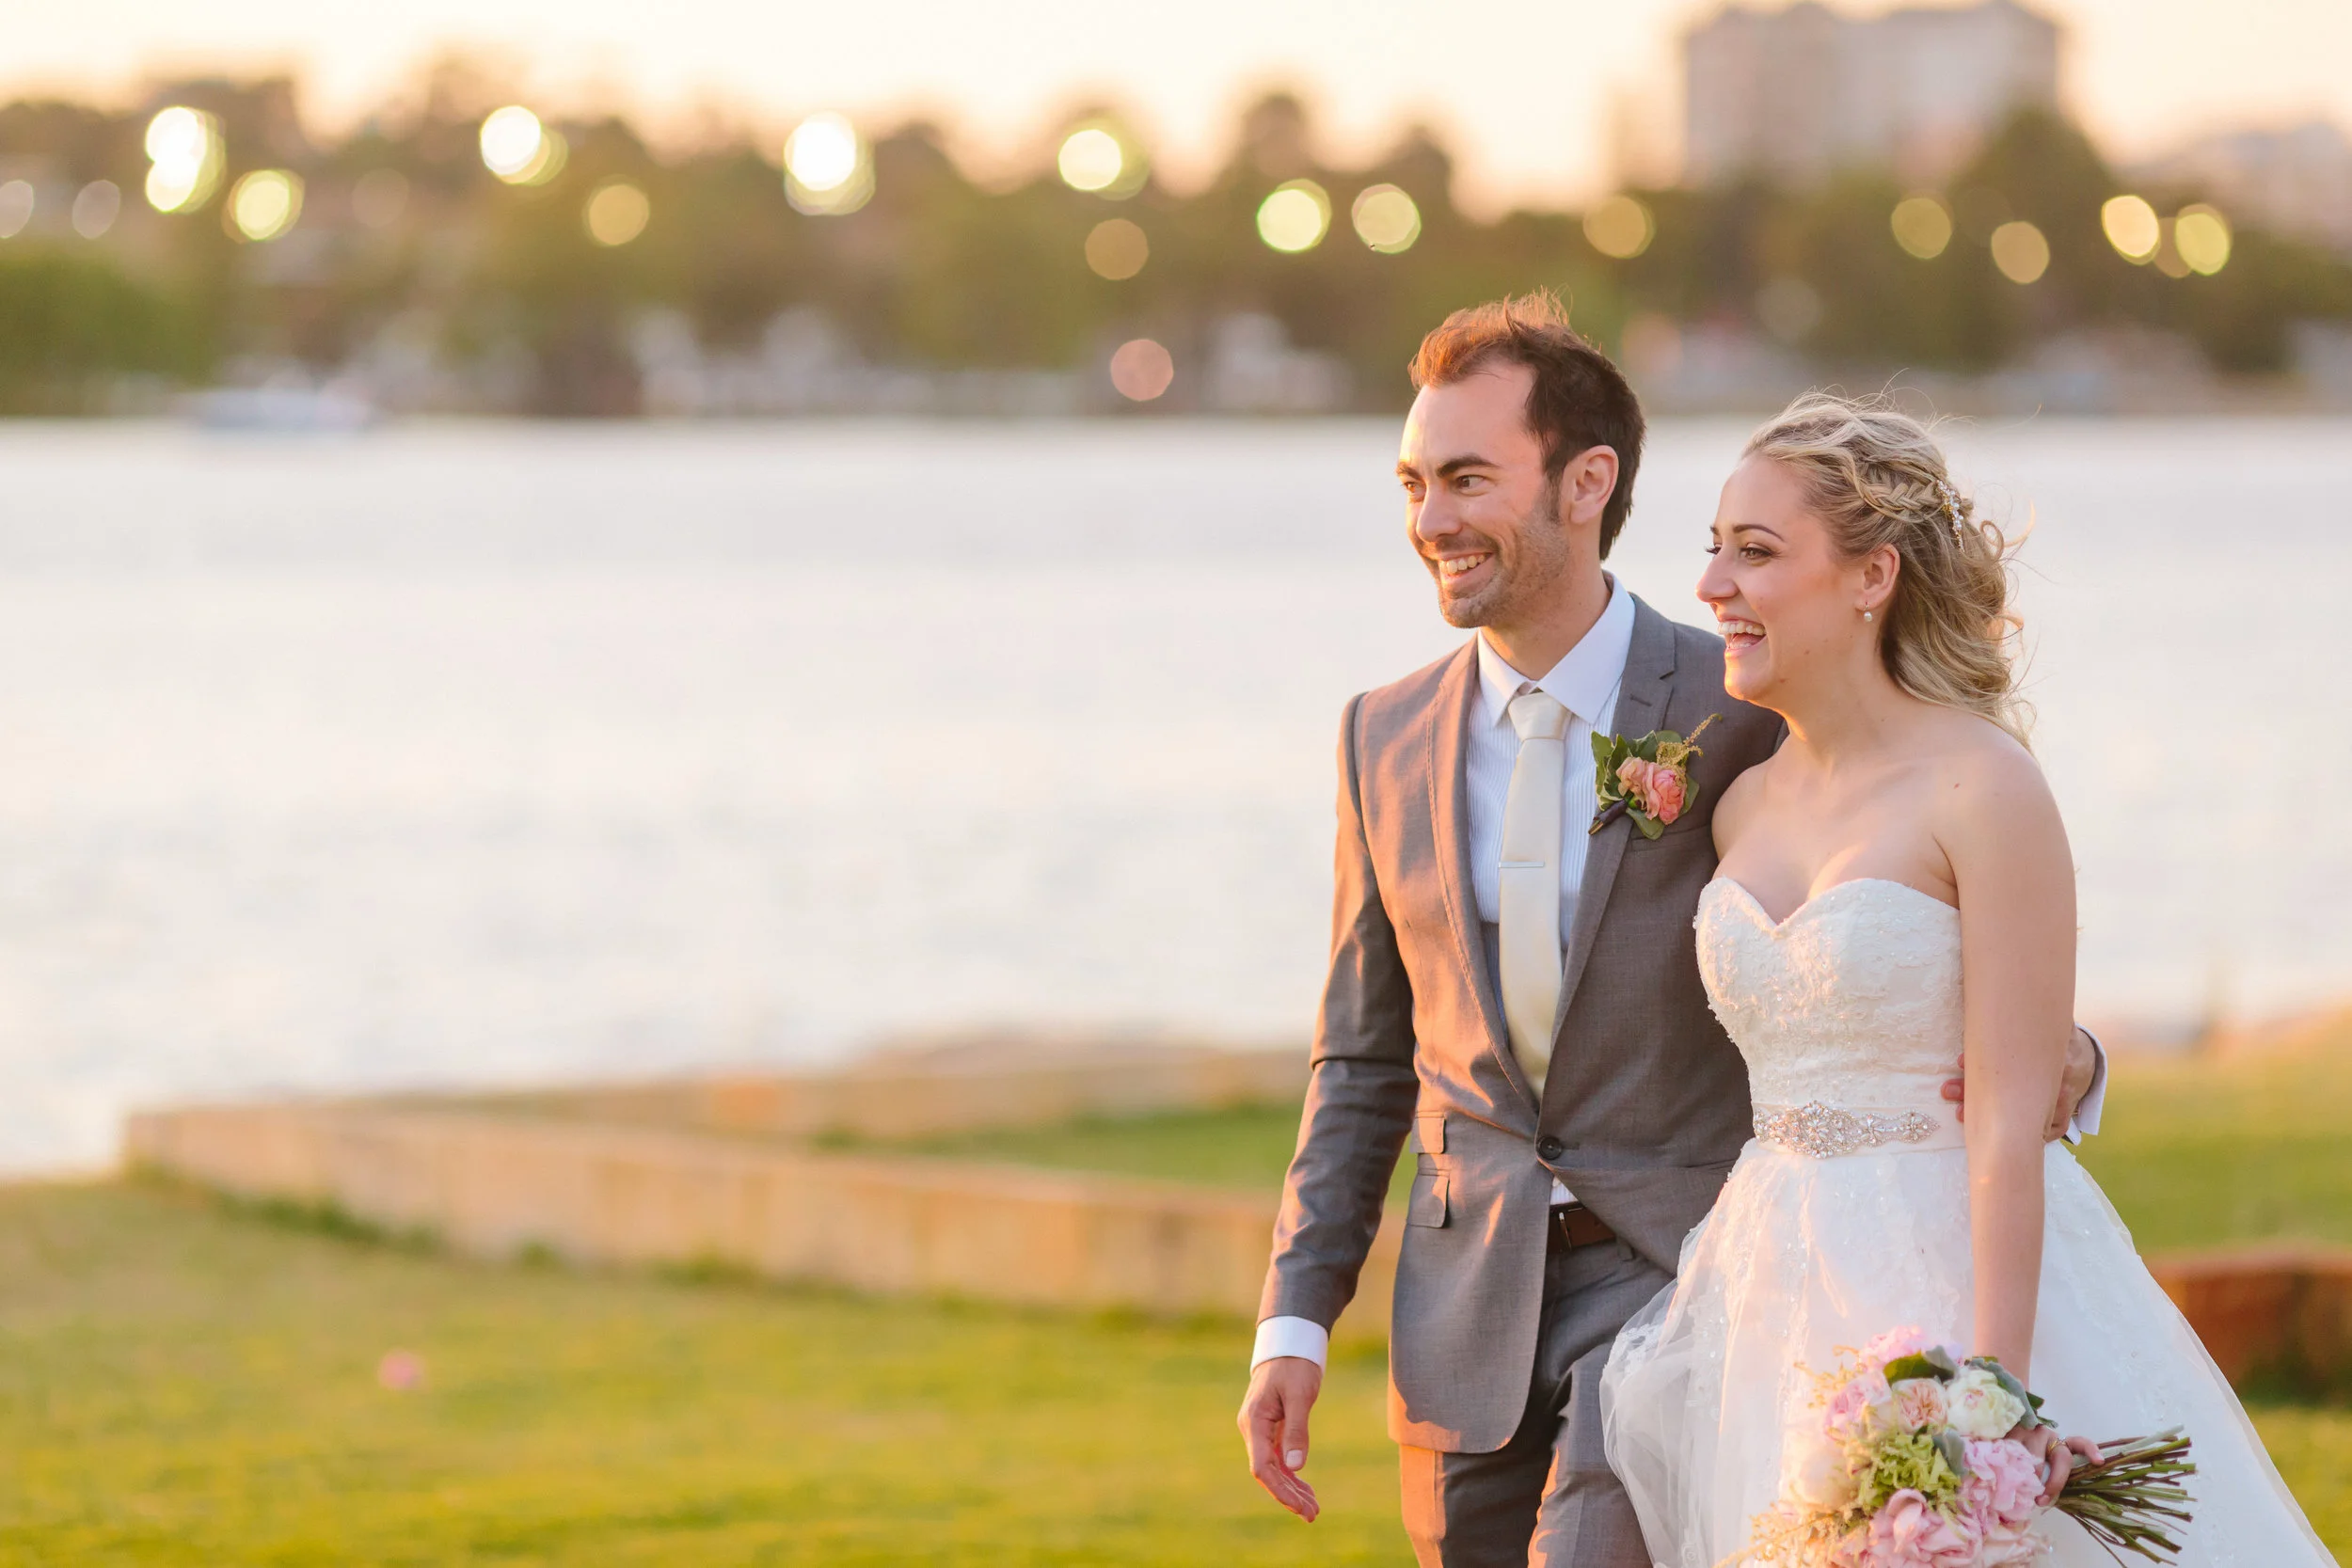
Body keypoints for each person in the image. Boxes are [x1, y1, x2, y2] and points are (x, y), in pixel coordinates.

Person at [1234, 294, 2104, 1567]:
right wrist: (1295, 1318)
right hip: (1460, 1314)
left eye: (1467, 477)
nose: (1430, 520)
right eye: (1414, 481)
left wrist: (2060, 1064)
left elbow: (1902, 880)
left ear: (1585, 482)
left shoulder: (1745, 698)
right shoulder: (1381, 734)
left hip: (1685, 1277)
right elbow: (1363, 1057)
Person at [1597, 392, 2335, 1566]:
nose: (1712, 588)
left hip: (1952, 1263)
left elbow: (2007, 1119)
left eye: (1755, 552)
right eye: (1712, 550)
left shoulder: (1982, 788)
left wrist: (1992, 1391)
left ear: (1869, 575)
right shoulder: (1736, 804)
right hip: (1768, 1284)